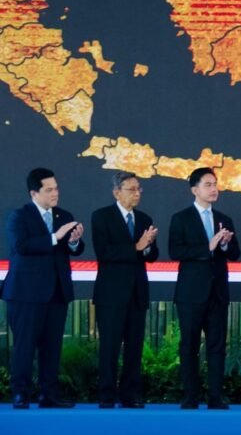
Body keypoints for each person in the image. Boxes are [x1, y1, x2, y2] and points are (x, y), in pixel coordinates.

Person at [2, 167, 85, 409]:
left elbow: (74, 250)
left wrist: (74, 241)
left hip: (56, 292)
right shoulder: (19, 216)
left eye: (56, 188)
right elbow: (22, 246)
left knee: (52, 347)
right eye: (49, 190)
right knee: (25, 346)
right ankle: (20, 394)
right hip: (26, 294)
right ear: (34, 193)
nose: (55, 193)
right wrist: (55, 237)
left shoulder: (64, 215)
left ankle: (49, 395)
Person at [169, 167, 240, 410]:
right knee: (189, 345)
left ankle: (216, 397)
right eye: (208, 184)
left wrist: (225, 245)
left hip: (217, 293)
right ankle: (190, 396)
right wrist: (207, 247)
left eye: (215, 184)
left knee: (217, 346)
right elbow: (175, 251)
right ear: (194, 189)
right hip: (191, 294)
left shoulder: (224, 219)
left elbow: (235, 254)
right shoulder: (181, 218)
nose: (214, 189)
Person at [92, 171, 159, 408]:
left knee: (134, 347)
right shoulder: (102, 217)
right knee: (110, 346)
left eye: (139, 189)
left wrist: (147, 247)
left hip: (137, 293)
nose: (137, 193)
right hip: (110, 294)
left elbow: (152, 255)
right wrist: (136, 247)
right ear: (116, 193)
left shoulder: (144, 218)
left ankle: (130, 394)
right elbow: (104, 253)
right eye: (131, 189)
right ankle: (107, 394)